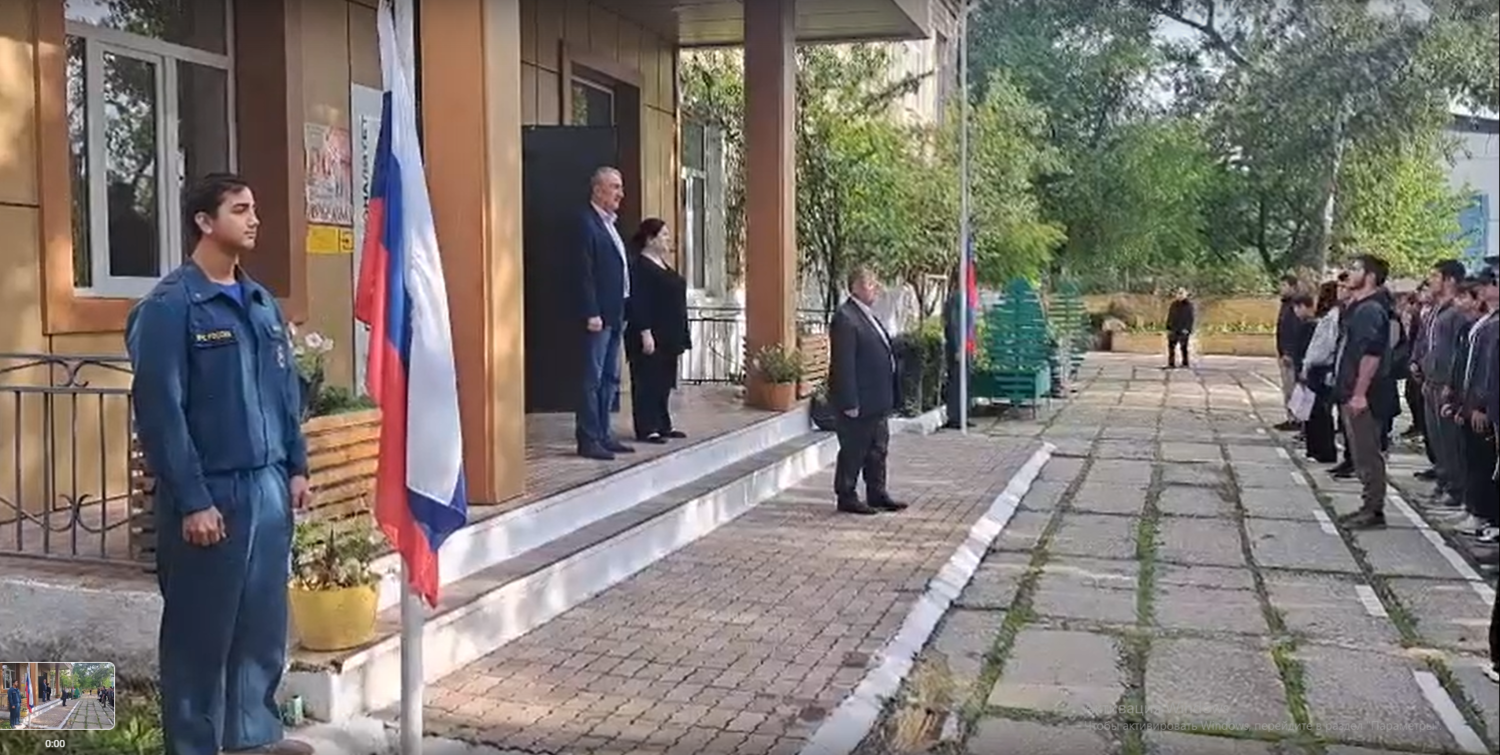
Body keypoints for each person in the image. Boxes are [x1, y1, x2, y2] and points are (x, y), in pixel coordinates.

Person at [127, 174, 312, 755]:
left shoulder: (260, 303)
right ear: (204, 222)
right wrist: (193, 500)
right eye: (240, 209)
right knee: (199, 639)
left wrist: (297, 467)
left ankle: (254, 740)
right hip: (213, 496)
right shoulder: (170, 308)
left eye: (254, 207)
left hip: (267, 491)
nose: (254, 219)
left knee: (261, 631)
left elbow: (284, 393)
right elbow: (161, 413)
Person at [828, 266, 906, 516]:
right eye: (871, 285)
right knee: (854, 449)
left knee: (877, 449)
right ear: (856, 287)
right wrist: (849, 401)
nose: (875, 290)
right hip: (859, 401)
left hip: (877, 400)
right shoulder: (846, 318)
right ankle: (846, 495)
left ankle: (877, 492)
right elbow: (844, 363)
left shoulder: (868, 315)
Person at [575, 166, 636, 461]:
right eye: (614, 187)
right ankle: (588, 437)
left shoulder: (610, 224)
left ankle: (604, 433)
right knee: (593, 378)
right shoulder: (585, 223)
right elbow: (582, 271)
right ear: (597, 189)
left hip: (615, 313)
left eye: (620, 187)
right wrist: (591, 311)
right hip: (598, 316)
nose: (620, 194)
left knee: (611, 377)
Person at [1333, 253, 1396, 529]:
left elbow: (1371, 354)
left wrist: (1359, 393)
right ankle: (1368, 505)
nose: (1349, 273)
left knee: (1368, 454)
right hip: (1351, 391)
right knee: (1360, 453)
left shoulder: (1370, 310)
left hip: (1366, 395)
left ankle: (1373, 510)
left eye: (1355, 269)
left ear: (1369, 276)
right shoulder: (1359, 307)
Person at [624, 218, 691, 444]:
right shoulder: (640, 266)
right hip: (651, 333)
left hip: (669, 333)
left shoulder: (663, 263)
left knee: (663, 381)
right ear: (650, 239)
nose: (668, 239)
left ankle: (663, 424)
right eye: (663, 235)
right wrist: (645, 331)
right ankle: (647, 427)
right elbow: (638, 301)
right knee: (647, 381)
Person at [1417, 260, 1470, 514]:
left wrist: (1451, 383)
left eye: (1436, 276)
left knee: (1450, 440)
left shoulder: (1456, 313)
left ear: (1450, 280)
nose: (1431, 280)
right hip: (1431, 381)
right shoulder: (1436, 310)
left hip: (1445, 384)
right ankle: (1443, 480)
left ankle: (1456, 488)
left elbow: (1458, 352)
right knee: (1436, 438)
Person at [1301, 280, 1344, 464]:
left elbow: (1323, 346)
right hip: (1317, 367)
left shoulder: (1333, 317)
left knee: (1320, 411)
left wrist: (1308, 363)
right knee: (1312, 410)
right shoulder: (1330, 316)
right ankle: (1314, 449)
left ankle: (1324, 451)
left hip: (1321, 368)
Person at [942, 265, 973, 430]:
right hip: (958, 347)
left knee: (964, 381)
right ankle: (955, 416)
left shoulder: (964, 297)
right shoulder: (955, 299)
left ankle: (963, 415)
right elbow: (954, 326)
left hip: (965, 346)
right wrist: (958, 347)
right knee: (957, 382)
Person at [1275, 273, 1304, 430]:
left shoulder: (1294, 306)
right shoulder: (1285, 305)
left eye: (1284, 285)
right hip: (1283, 352)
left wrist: (1288, 352)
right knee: (1287, 388)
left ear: (1293, 287)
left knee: (1292, 388)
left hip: (1290, 354)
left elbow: (1293, 331)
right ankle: (1290, 417)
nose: (1281, 288)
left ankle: (1296, 419)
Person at [1166, 288, 1195, 369]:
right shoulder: (1173, 304)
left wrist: (1187, 329)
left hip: (1183, 329)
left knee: (1184, 347)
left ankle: (1185, 363)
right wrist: (1168, 327)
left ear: (1185, 295)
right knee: (1171, 347)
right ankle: (1171, 363)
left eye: (1182, 294)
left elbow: (1190, 318)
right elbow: (1170, 316)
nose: (1180, 295)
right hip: (1174, 329)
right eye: (1178, 294)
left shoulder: (1188, 305)